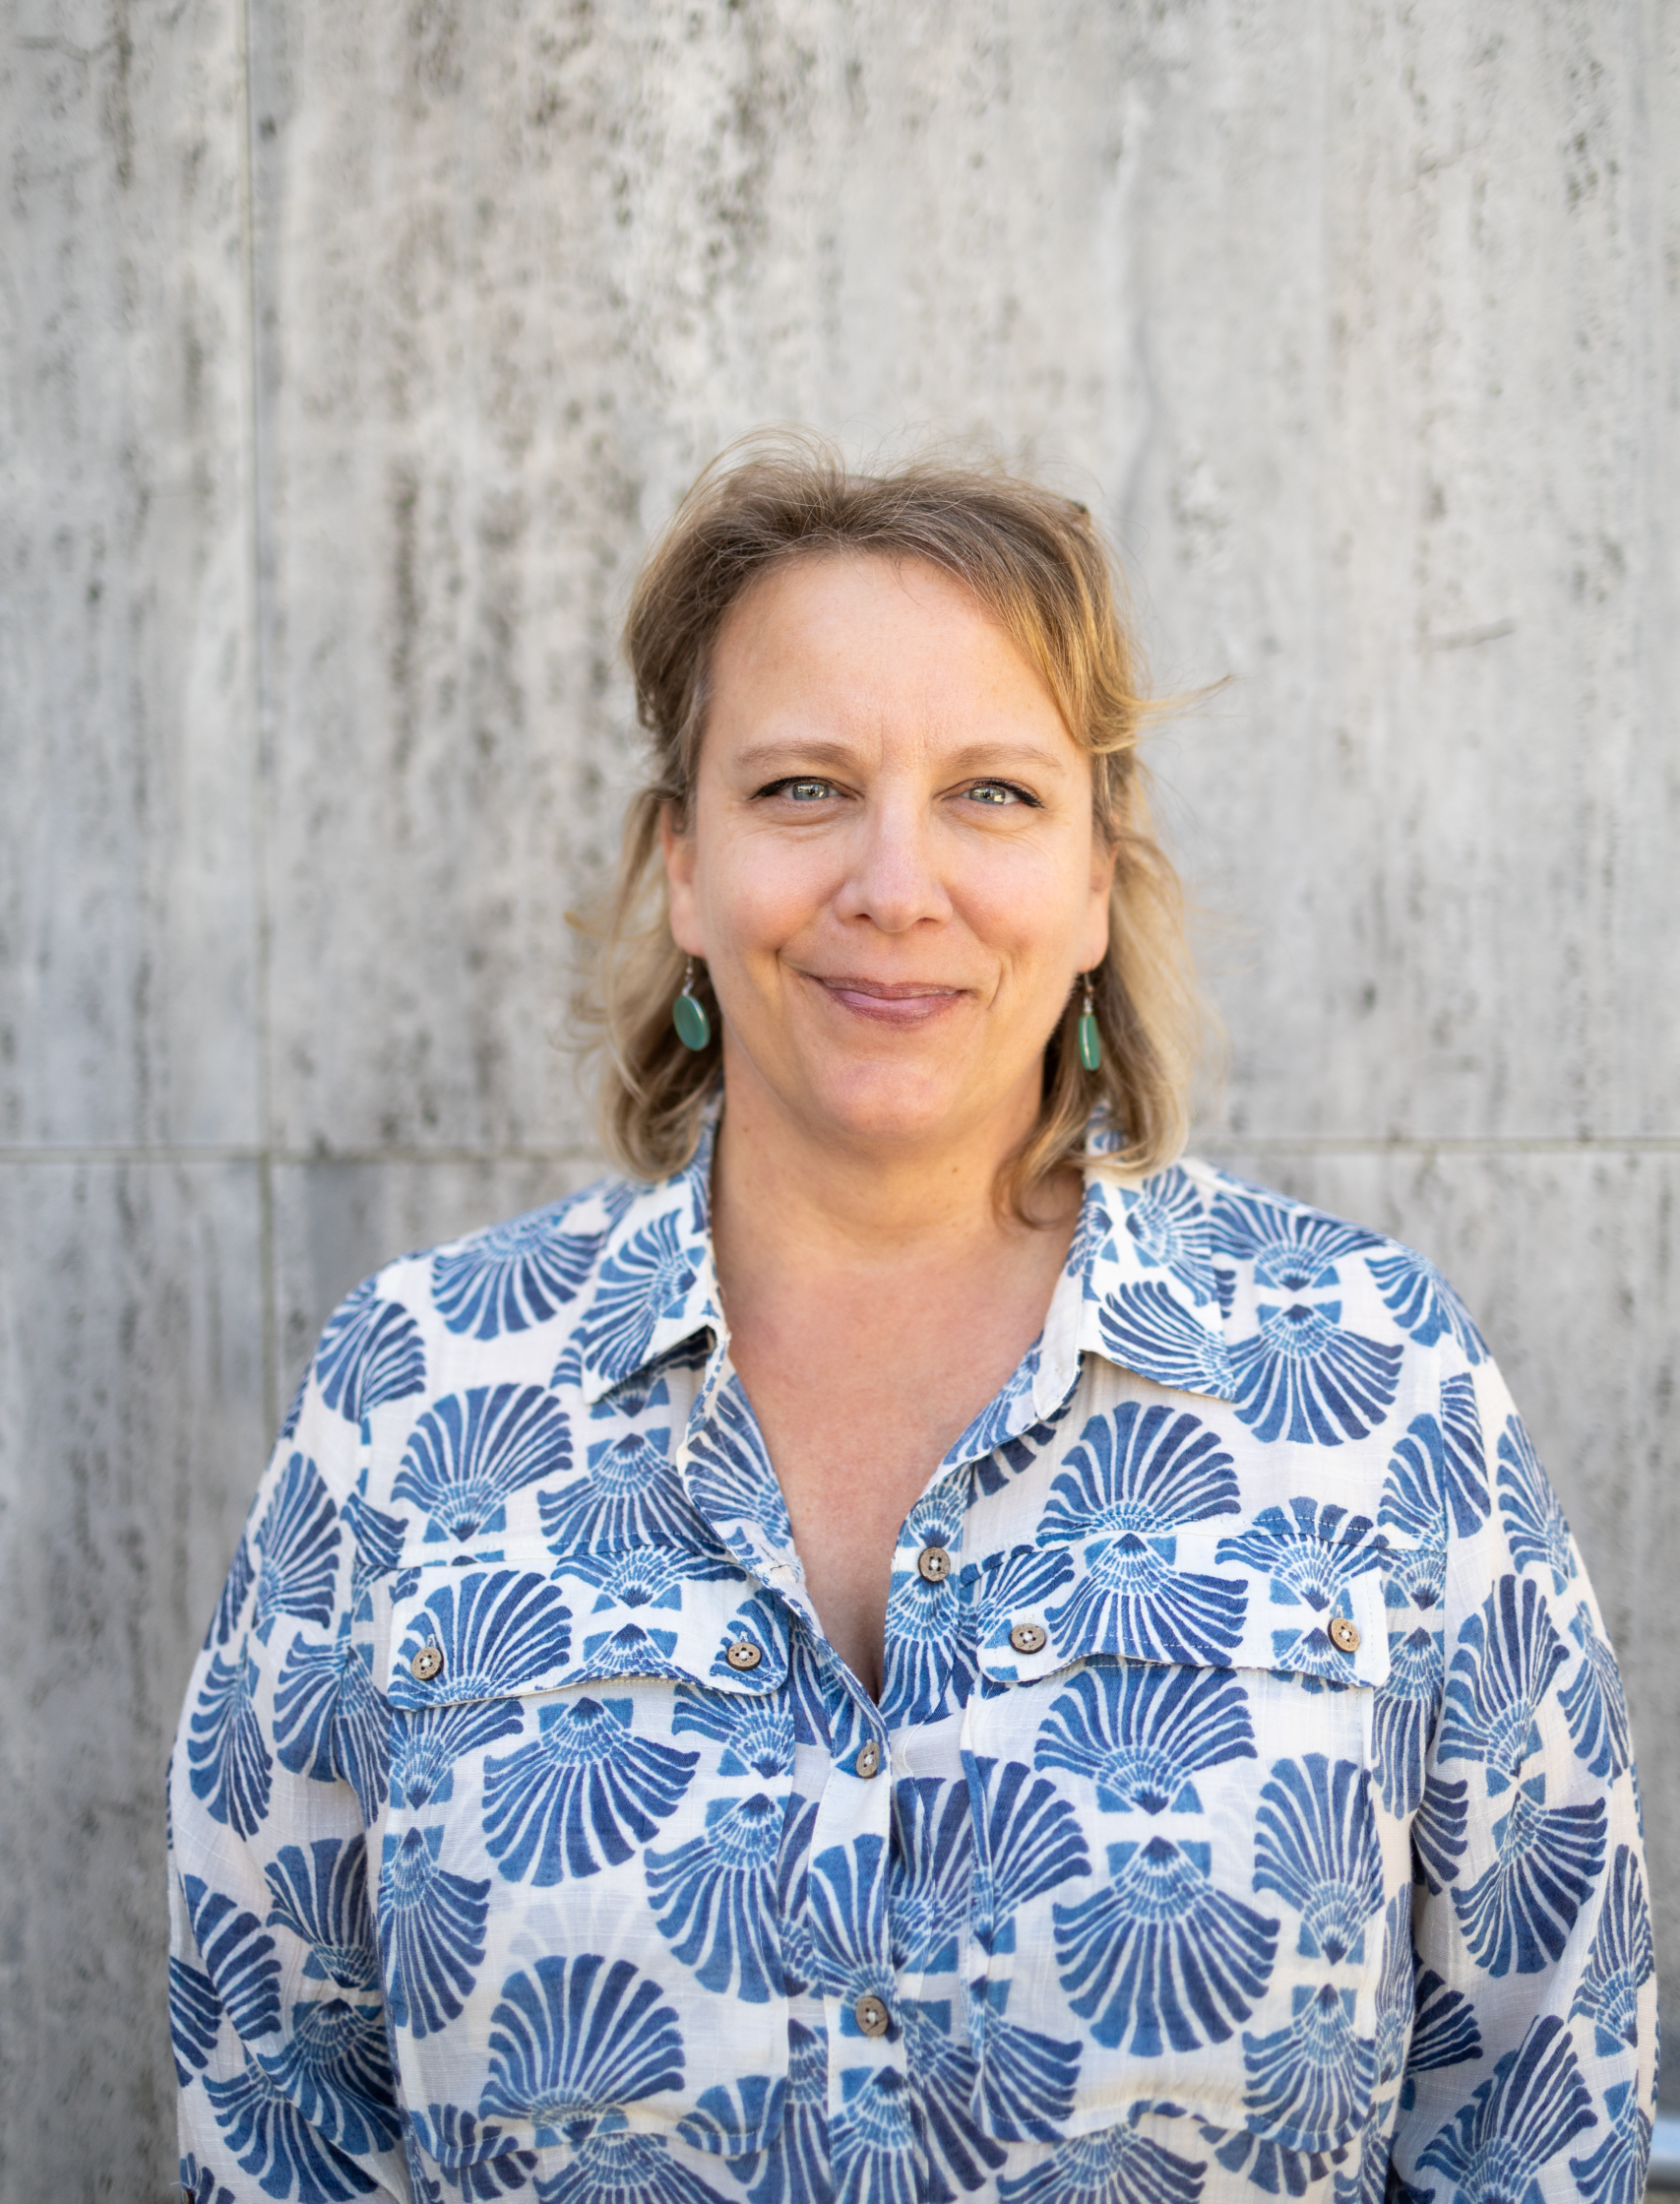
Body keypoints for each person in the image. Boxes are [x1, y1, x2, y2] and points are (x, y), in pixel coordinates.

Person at [169, 443, 1657, 2204]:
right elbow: (279, 2110)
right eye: (802, 788)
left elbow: (1539, 2104)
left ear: (1096, 883)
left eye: (992, 795)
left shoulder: (1373, 1381)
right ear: (684, 869)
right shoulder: (412, 1396)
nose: (894, 884)